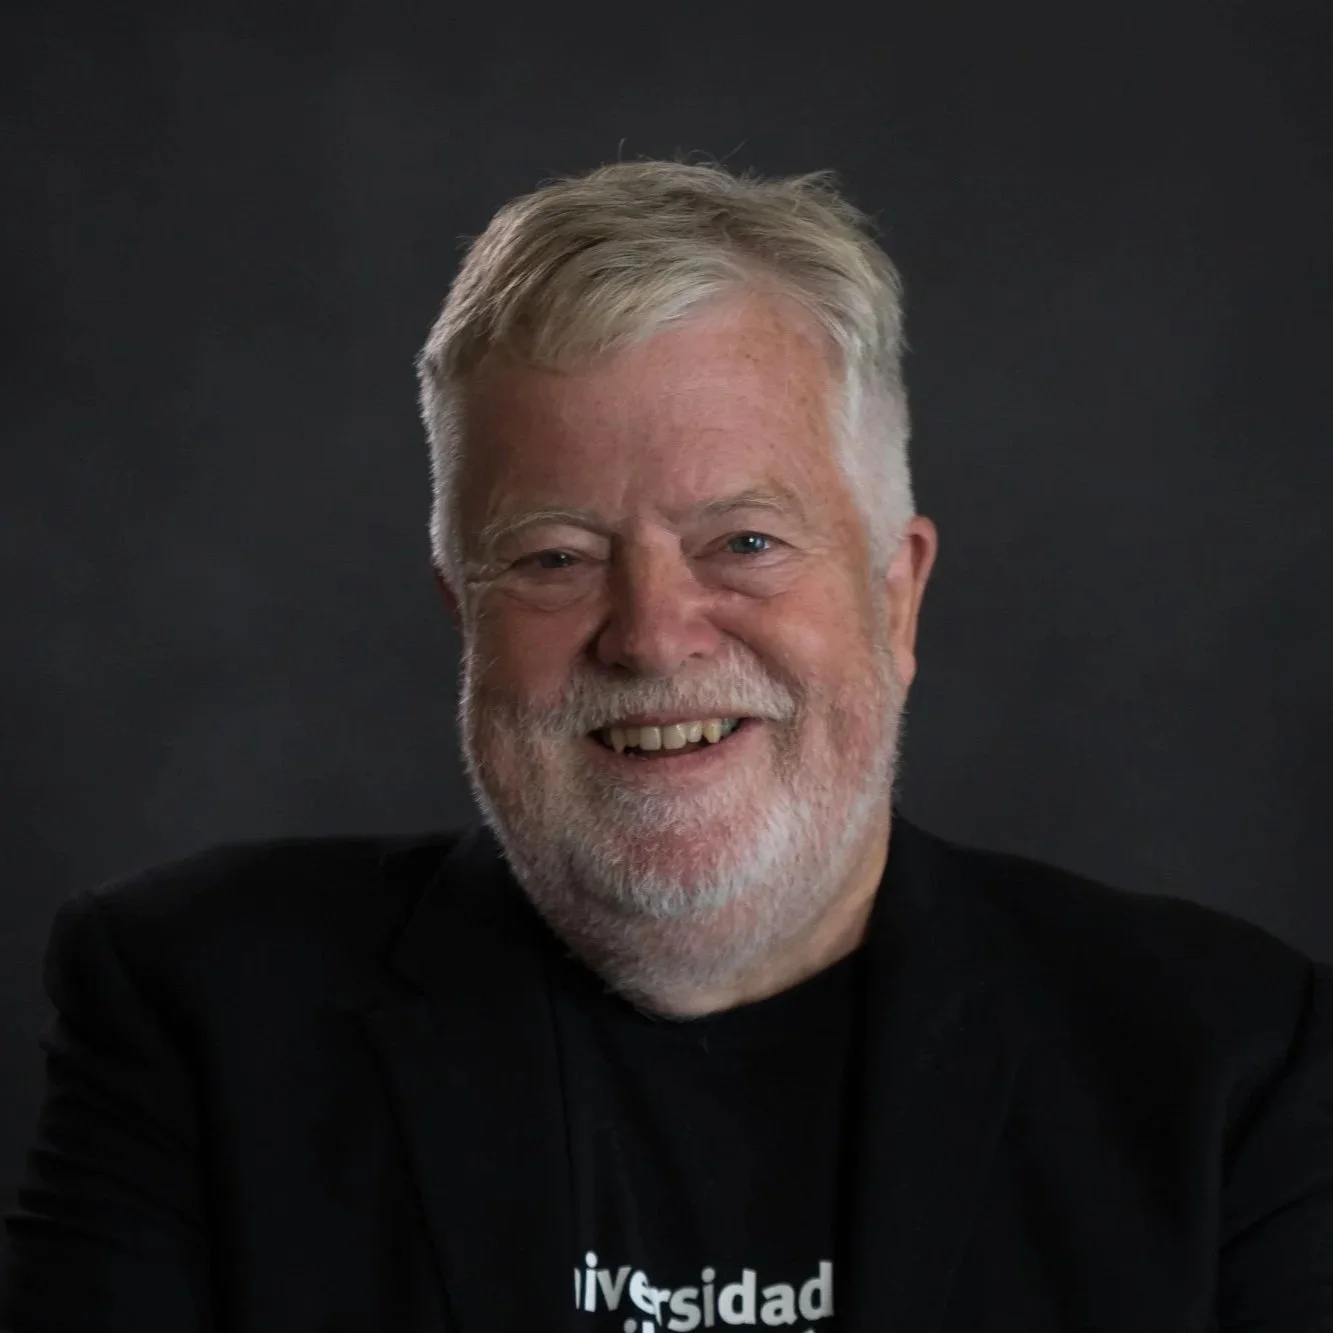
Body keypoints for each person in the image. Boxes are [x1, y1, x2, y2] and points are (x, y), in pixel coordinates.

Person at [2, 160, 1331, 1333]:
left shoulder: (1229, 1068)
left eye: (744, 543)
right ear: (464, 612)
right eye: (554, 556)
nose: (650, 636)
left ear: (896, 595)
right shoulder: (201, 1017)